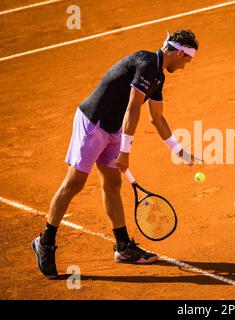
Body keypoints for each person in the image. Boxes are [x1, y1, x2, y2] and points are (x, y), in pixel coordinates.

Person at [32, 29, 200, 278]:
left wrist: (178, 150)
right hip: (93, 124)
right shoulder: (145, 64)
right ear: (178, 53)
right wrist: (125, 153)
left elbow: (157, 118)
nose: (186, 65)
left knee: (112, 183)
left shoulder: (159, 78)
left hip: (114, 128)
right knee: (74, 183)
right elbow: (133, 107)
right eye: (187, 59)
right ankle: (44, 242)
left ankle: (123, 248)